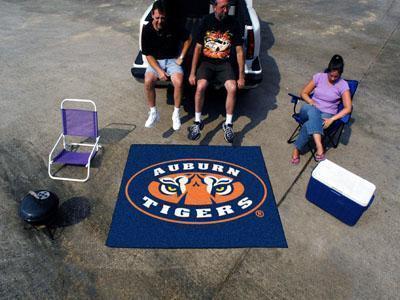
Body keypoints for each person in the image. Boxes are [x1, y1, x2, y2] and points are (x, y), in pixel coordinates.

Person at [188, 0, 245, 143]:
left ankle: (228, 124)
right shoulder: (205, 21)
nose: (226, 10)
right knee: (200, 87)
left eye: (228, 7)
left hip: (224, 64)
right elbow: (198, 48)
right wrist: (192, 73)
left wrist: (241, 77)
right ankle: (197, 122)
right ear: (214, 7)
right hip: (207, 63)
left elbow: (239, 51)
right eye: (222, 7)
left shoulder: (234, 23)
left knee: (232, 88)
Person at [291, 54, 352, 164]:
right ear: (328, 70)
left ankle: (296, 149)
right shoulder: (319, 77)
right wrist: (310, 101)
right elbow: (303, 93)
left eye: (336, 77)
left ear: (340, 74)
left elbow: (348, 108)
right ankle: (319, 146)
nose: (333, 78)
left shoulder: (343, 85)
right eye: (331, 75)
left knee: (308, 125)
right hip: (309, 109)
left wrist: (332, 119)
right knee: (313, 110)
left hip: (326, 115)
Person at [141, 1, 192, 130]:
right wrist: (159, 71)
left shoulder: (173, 25)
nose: (160, 21)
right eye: (157, 18)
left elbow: (189, 39)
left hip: (172, 60)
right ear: (152, 15)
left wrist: (181, 57)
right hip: (155, 61)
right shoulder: (147, 30)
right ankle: (153, 112)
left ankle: (176, 114)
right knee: (148, 81)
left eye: (162, 18)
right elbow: (148, 55)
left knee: (179, 82)